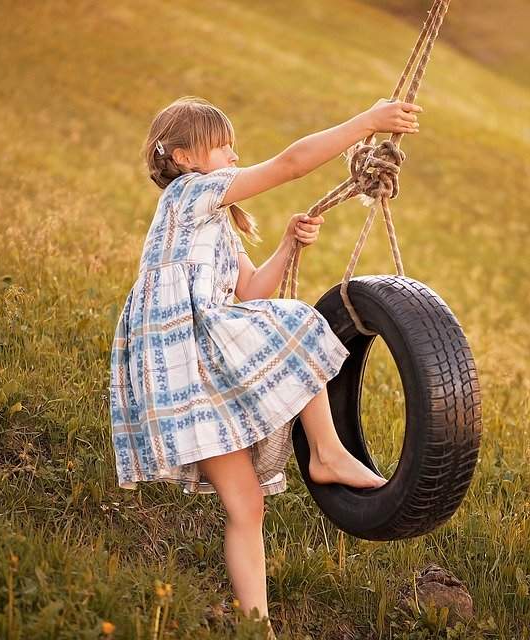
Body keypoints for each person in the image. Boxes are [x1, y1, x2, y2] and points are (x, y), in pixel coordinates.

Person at [109, 95, 421, 634]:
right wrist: (368, 122)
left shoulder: (217, 226)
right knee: (297, 325)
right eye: (221, 145)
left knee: (247, 505)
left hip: (192, 376)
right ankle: (326, 452)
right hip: (188, 358)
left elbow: (251, 289)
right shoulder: (189, 195)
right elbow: (289, 164)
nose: (233, 154)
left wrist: (285, 247)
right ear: (183, 159)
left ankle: (256, 625)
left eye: (233, 144)